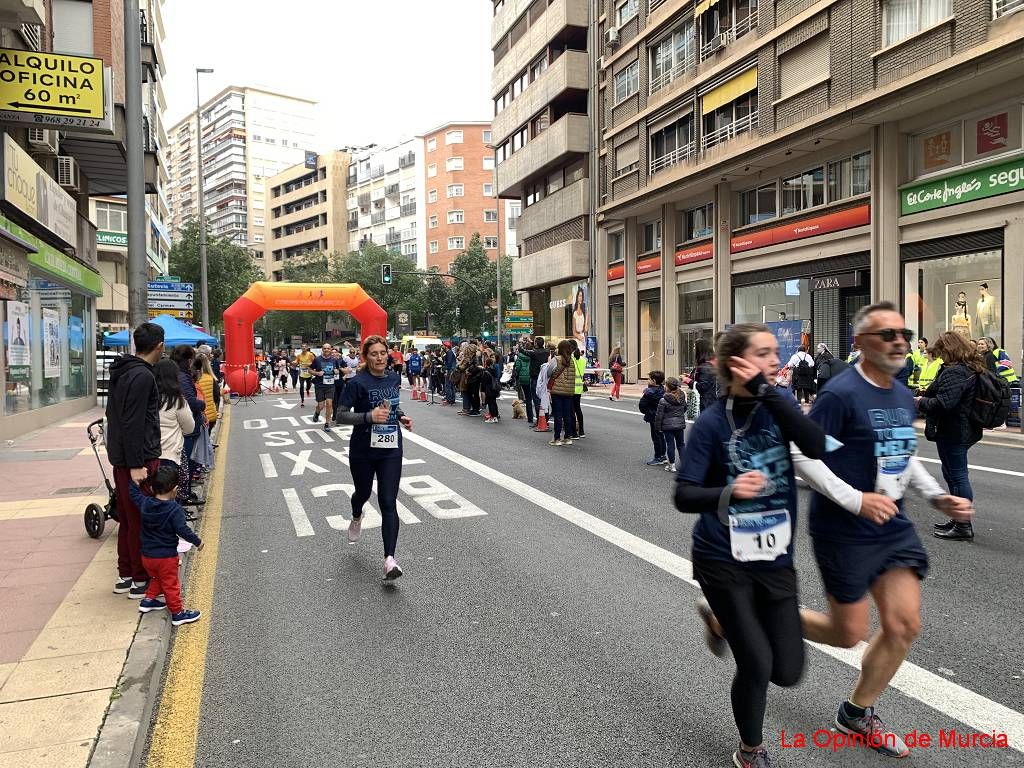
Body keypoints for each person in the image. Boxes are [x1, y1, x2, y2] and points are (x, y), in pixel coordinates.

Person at [792, 302, 972, 757]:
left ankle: (856, 713)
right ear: (860, 344)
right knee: (847, 633)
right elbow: (802, 453)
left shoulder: (897, 392)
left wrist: (935, 496)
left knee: (904, 624)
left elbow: (901, 454)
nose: (899, 341)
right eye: (887, 334)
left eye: (903, 334)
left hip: (891, 524)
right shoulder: (841, 394)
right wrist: (855, 499)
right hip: (844, 526)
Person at [674, 323, 828, 768]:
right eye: (763, 353)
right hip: (721, 558)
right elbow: (684, 495)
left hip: (774, 558)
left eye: (774, 352)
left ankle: (720, 623)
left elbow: (816, 446)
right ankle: (750, 750)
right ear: (735, 364)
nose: (775, 360)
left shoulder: (777, 410)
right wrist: (730, 492)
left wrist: (765, 390)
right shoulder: (708, 423)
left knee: (788, 670)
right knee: (758, 664)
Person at [335, 335, 414, 580]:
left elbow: (391, 404)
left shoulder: (393, 377)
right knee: (363, 492)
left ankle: (389, 560)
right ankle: (357, 514)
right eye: (373, 354)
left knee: (389, 502)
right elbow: (340, 415)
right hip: (363, 449)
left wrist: (400, 416)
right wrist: (369, 417)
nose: (379, 357)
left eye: (382, 353)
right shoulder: (357, 383)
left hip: (391, 447)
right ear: (365, 358)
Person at [105, 322, 164, 598]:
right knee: (141, 518)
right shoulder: (142, 376)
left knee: (129, 519)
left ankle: (126, 574)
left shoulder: (121, 371)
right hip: (139, 459)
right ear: (159, 346)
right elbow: (133, 422)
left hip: (123, 457)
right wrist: (136, 464)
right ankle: (140, 579)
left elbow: (114, 417)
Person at [917, 332, 984, 541]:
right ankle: (958, 519)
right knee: (952, 474)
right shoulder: (967, 368)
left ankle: (963, 525)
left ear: (950, 350)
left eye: (942, 352)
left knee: (957, 476)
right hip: (960, 429)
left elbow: (945, 403)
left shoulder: (955, 372)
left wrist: (920, 402)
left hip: (953, 430)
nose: (941, 357)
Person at [130, 466, 203, 625]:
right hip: (166, 557)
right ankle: (178, 613)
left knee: (156, 577)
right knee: (171, 584)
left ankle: (148, 600)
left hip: (147, 556)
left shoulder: (145, 503)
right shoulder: (174, 509)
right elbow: (182, 530)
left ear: (151, 487)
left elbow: (134, 494)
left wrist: (134, 482)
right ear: (175, 489)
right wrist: (197, 541)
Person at [170, 345, 205, 505]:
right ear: (189, 360)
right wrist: (202, 405)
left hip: (183, 425)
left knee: (186, 462)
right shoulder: (182, 377)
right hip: (187, 427)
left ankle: (185, 492)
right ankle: (184, 494)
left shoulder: (179, 374)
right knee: (187, 462)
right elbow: (190, 402)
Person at [153, 359, 195, 478]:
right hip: (170, 454)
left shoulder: (147, 398)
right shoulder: (177, 401)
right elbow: (189, 428)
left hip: (149, 454)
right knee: (169, 492)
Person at [547, 340, 577, 446]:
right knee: (567, 414)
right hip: (569, 391)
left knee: (558, 415)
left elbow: (549, 372)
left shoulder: (556, 359)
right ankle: (567, 437)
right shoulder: (572, 360)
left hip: (557, 390)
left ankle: (557, 438)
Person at [655, 377, 686, 472]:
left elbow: (659, 416)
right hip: (679, 425)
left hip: (667, 426)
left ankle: (672, 465)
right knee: (681, 444)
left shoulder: (663, 400)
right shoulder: (681, 397)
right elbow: (685, 408)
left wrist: (658, 427)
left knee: (670, 444)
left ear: (667, 387)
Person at [639, 371, 667, 465]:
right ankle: (663, 455)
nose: (648, 380)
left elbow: (642, 405)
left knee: (656, 437)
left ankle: (658, 457)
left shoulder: (650, 392)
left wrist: (648, 412)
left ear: (654, 381)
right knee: (661, 436)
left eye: (649, 379)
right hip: (662, 416)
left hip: (653, 417)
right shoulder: (662, 389)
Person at [310, 343, 339, 431]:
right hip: (320, 385)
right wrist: (317, 373)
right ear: (322, 349)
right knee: (321, 405)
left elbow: (337, 370)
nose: (326, 350)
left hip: (330, 385)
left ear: (331, 349)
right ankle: (317, 412)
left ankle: (327, 423)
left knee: (329, 404)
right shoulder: (317, 359)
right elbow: (310, 370)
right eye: (325, 348)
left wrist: (336, 371)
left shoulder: (334, 360)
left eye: (328, 348)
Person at [689, 338, 717, 413]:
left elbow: (703, 386)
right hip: (709, 403)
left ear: (700, 349)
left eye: (695, 346)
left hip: (706, 404)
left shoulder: (705, 366)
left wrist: (688, 381)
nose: (693, 349)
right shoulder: (708, 364)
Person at [514, 339, 536, 424]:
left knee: (528, 398)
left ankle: (530, 418)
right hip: (531, 377)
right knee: (534, 397)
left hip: (523, 379)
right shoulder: (533, 356)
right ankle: (538, 416)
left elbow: (518, 368)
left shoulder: (520, 356)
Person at [571, 342, 586, 439]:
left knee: (571, 410)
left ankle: (574, 433)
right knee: (578, 409)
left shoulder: (570, 359)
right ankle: (581, 431)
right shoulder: (583, 360)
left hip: (571, 387)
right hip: (579, 387)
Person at [571, 286, 588, 350]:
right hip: (577, 339)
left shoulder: (585, 310)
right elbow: (573, 331)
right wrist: (578, 336)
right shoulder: (574, 313)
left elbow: (586, 329)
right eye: (579, 296)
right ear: (577, 297)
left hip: (583, 337)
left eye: (582, 296)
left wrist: (586, 324)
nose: (580, 298)